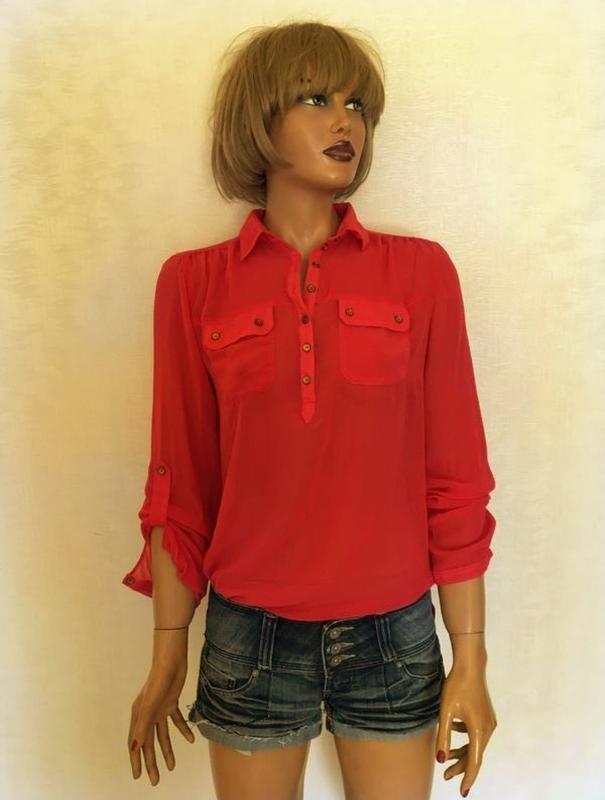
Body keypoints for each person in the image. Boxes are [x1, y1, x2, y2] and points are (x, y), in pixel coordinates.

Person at [123, 20, 498, 800]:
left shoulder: (420, 274)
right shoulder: (192, 284)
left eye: (357, 105)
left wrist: (471, 656)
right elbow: (179, 487)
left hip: (394, 629)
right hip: (248, 633)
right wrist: (166, 655)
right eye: (315, 99)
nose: (344, 122)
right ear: (257, 120)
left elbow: (455, 476)